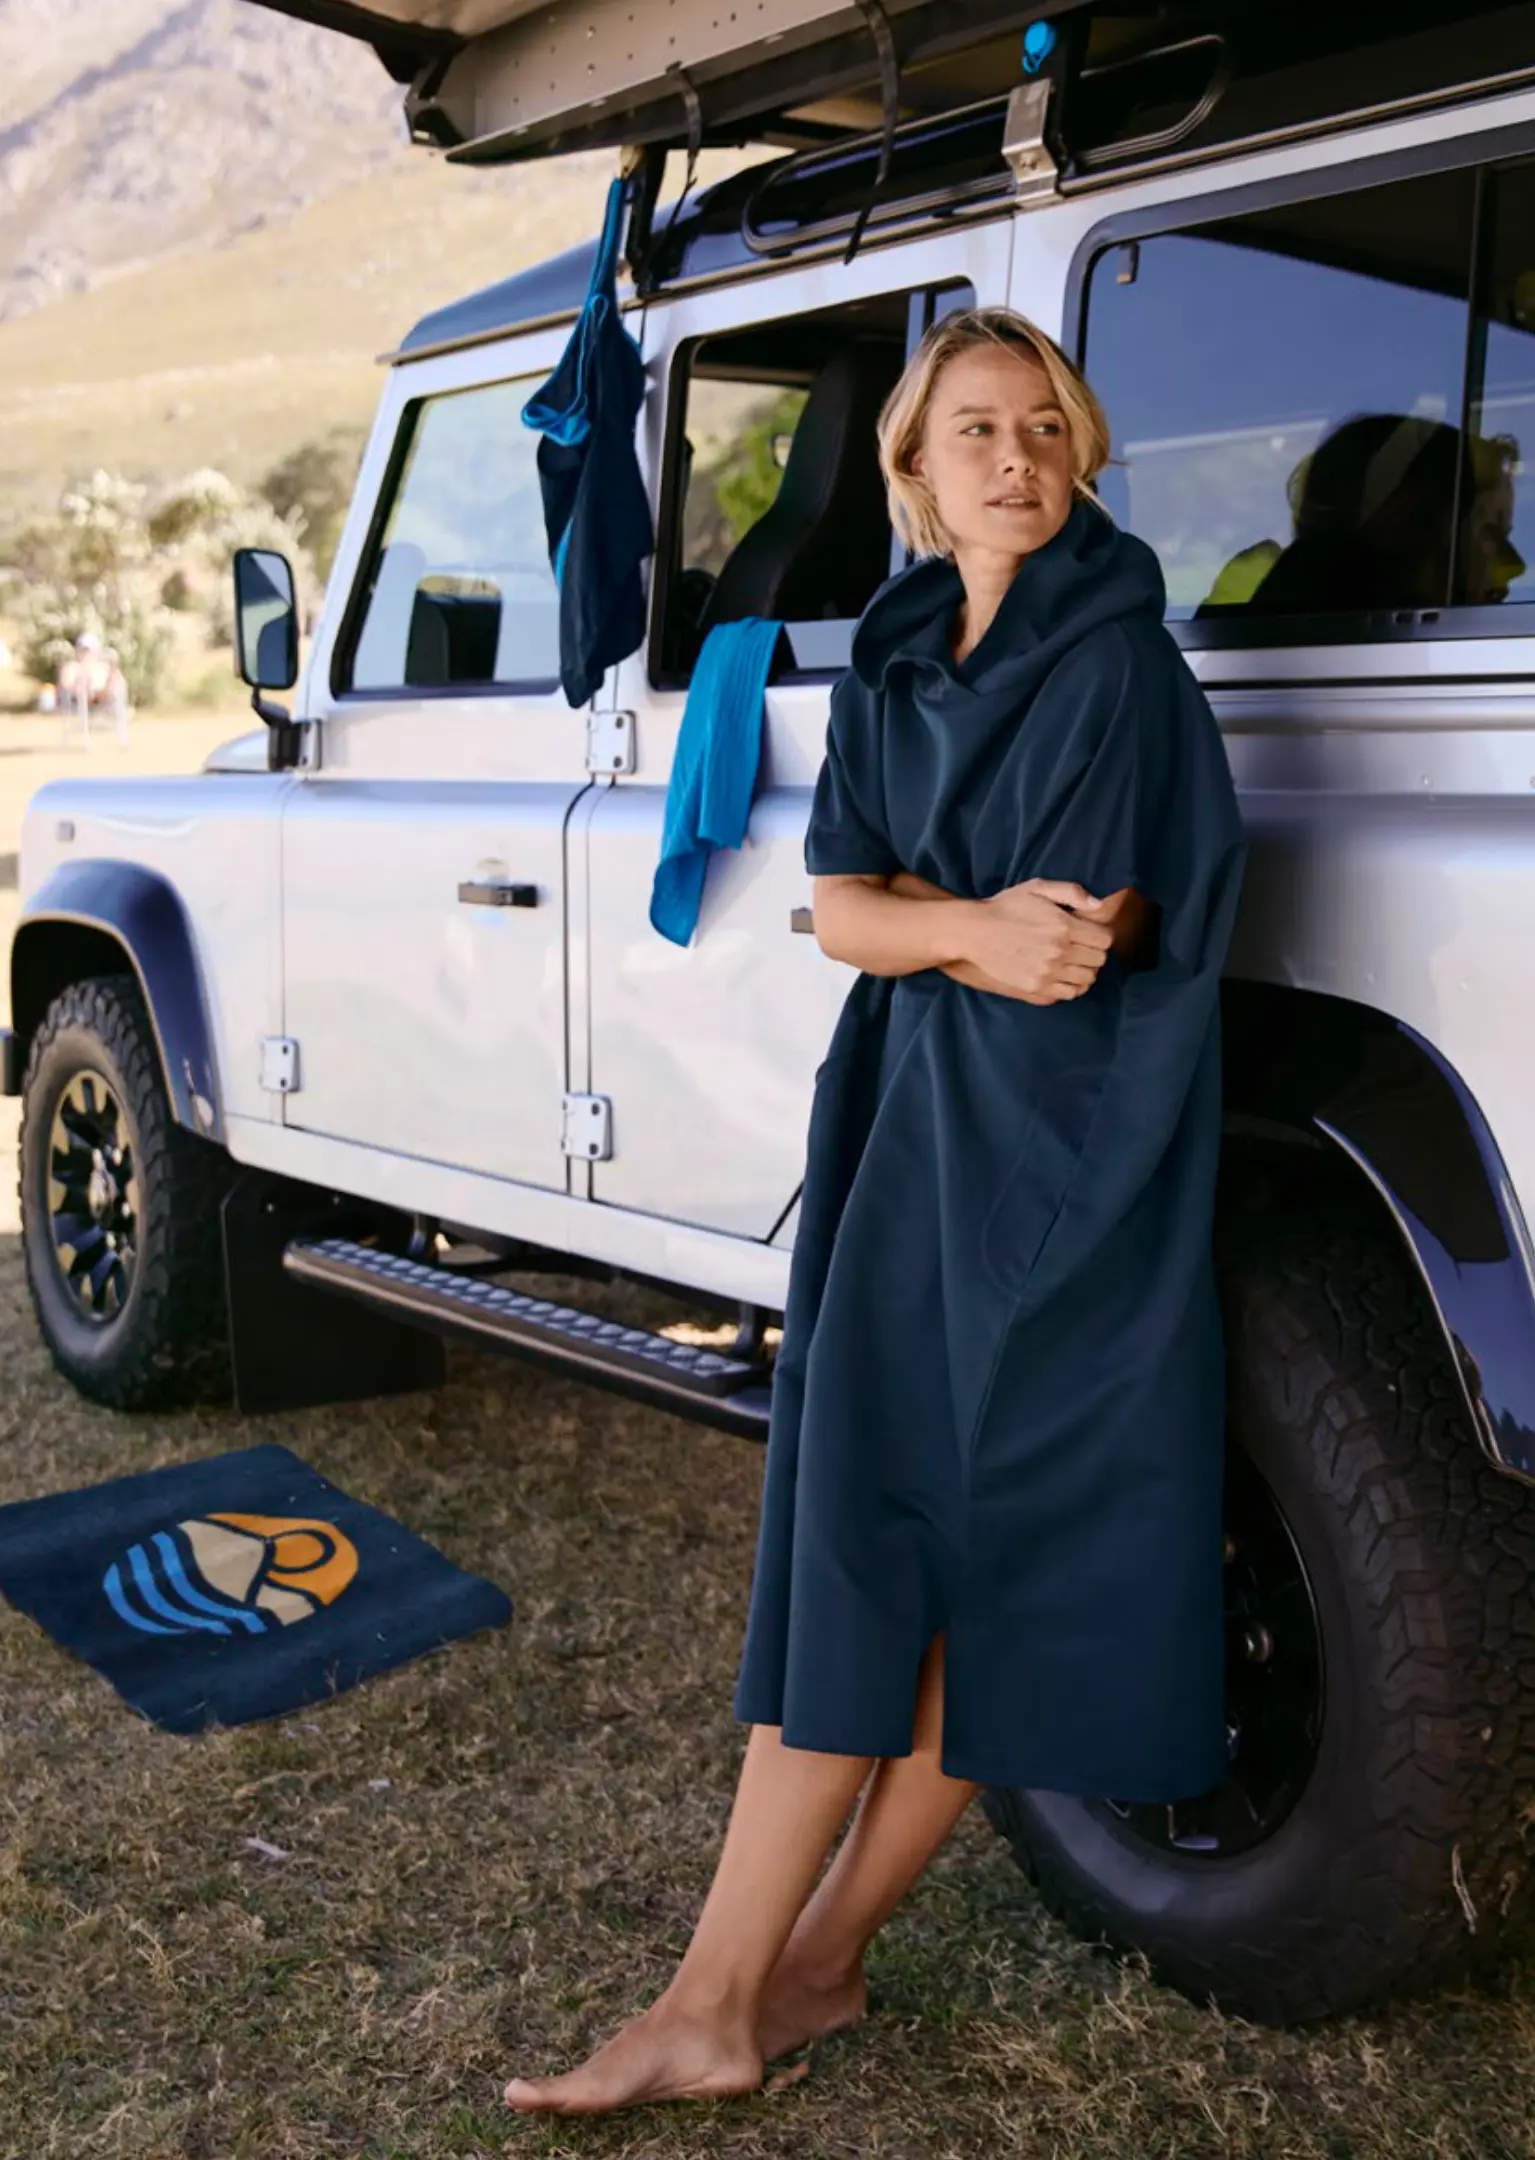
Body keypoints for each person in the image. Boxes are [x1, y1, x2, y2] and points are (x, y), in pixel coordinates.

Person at [503, 305, 1248, 2118]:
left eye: (1043, 426)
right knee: (864, 1545)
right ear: (910, 465)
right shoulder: (899, 655)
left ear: (1078, 454)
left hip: (1059, 1154)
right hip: (907, 1127)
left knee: (971, 1568)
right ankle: (778, 1978)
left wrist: (941, 920)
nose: (1016, 457)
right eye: (975, 428)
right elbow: (839, 905)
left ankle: (742, 1991)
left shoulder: (1115, 663)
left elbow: (1074, 940)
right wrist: (953, 920)